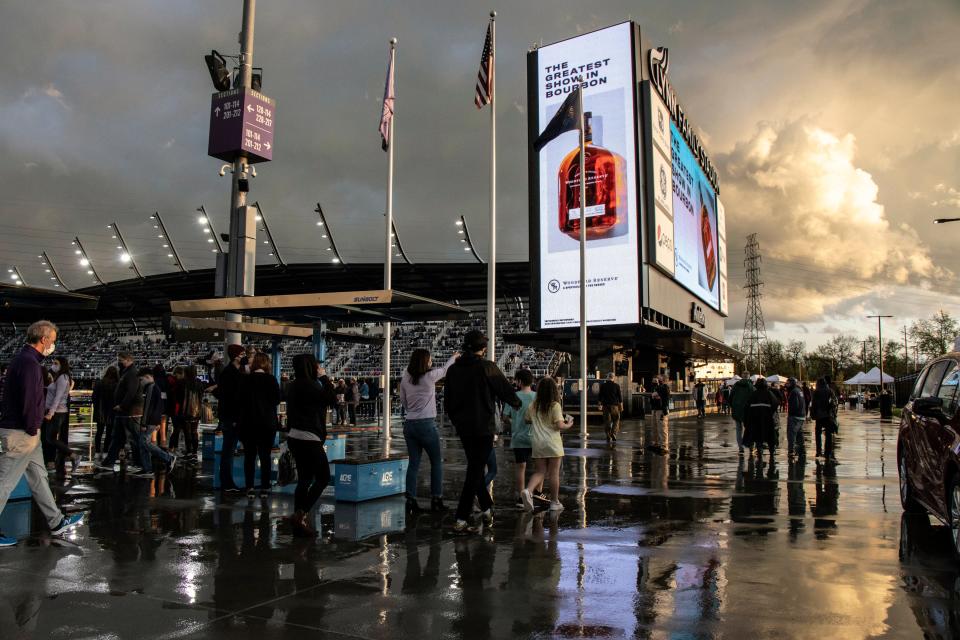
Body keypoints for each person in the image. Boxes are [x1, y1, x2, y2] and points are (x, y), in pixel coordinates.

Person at [0, 320, 84, 547]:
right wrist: (31, 428)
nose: (53, 345)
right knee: (5, 482)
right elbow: (29, 400)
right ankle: (56, 522)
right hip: (22, 433)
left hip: (26, 432)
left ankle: (56, 522)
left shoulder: (23, 360)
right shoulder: (29, 365)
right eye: (53, 341)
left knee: (39, 478)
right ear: (44, 339)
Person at [444, 330, 521, 533]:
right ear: (483, 348)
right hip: (483, 426)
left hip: (463, 426)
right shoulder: (487, 367)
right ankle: (461, 517)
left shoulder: (452, 370)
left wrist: (456, 420)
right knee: (475, 470)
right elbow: (506, 391)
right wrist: (518, 404)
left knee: (475, 467)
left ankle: (487, 507)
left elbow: (448, 402)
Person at [398, 348, 458, 513]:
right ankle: (436, 498)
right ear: (425, 361)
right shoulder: (429, 377)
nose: (431, 362)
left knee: (413, 464)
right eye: (430, 359)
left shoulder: (405, 379)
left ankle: (410, 500)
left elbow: (404, 401)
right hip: (426, 424)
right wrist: (453, 357)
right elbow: (446, 369)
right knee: (436, 462)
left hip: (409, 424)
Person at [285, 354, 337, 537]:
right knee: (323, 478)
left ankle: (298, 516)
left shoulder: (293, 385)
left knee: (305, 479)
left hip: (294, 436)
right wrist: (324, 377)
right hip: (309, 437)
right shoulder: (310, 385)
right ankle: (301, 514)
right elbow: (332, 399)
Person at [521, 377, 574, 512]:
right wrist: (569, 424)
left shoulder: (533, 405)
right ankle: (554, 502)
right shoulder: (555, 405)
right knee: (554, 473)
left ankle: (528, 490)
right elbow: (559, 425)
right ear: (553, 390)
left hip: (538, 442)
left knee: (540, 472)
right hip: (553, 443)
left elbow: (526, 420)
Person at [502, 369, 544, 509]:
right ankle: (538, 492)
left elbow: (505, 417)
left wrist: (514, 422)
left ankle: (521, 498)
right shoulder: (537, 397)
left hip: (518, 437)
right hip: (536, 437)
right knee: (540, 468)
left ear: (519, 381)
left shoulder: (514, 396)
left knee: (521, 468)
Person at [99, 352, 148, 473]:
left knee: (134, 438)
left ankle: (139, 463)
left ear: (127, 360)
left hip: (130, 411)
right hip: (124, 412)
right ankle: (109, 462)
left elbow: (131, 392)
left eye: (121, 360)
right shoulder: (127, 373)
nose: (119, 362)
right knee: (117, 437)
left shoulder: (131, 374)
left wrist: (122, 405)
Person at [240, 353, 281, 499]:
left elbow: (240, 402)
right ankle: (264, 487)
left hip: (248, 424)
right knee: (265, 456)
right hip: (266, 424)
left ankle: (249, 487)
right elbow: (277, 399)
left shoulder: (245, 380)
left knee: (249, 457)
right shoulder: (271, 380)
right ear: (266, 364)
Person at [213, 345, 245, 494]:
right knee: (228, 451)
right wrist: (231, 418)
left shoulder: (235, 372)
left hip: (233, 417)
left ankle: (228, 481)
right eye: (242, 353)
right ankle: (227, 482)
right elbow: (228, 397)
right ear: (236, 356)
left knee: (230, 450)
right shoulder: (229, 373)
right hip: (231, 418)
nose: (244, 356)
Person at [139, 368, 176, 475]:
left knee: (145, 443)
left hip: (149, 421)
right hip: (153, 419)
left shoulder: (151, 388)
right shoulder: (155, 388)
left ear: (147, 377)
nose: (140, 383)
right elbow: (158, 406)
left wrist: (144, 423)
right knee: (143, 444)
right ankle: (147, 469)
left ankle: (168, 458)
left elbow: (148, 407)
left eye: (141, 380)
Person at [44, 355, 77, 475]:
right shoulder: (61, 377)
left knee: (50, 438)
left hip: (57, 412)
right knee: (52, 437)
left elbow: (58, 397)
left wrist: (51, 413)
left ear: (62, 365)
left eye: (56, 363)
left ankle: (72, 455)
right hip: (57, 411)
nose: (54, 365)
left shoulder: (63, 377)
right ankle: (68, 457)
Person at [172, 366, 204, 462]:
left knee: (187, 432)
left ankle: (189, 451)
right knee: (194, 431)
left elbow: (177, 397)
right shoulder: (199, 382)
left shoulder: (182, 383)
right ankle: (194, 452)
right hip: (197, 411)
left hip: (185, 411)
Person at [744, 377, 780, 458]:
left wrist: (747, 421)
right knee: (770, 437)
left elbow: (747, 407)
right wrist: (769, 411)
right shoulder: (769, 393)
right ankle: (772, 452)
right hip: (768, 420)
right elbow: (775, 403)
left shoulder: (753, 394)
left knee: (758, 438)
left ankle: (760, 451)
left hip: (755, 420)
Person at [91, 366, 119, 459]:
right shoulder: (117, 384)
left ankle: (97, 451)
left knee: (99, 432)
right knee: (109, 433)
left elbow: (94, 397)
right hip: (112, 411)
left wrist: (96, 407)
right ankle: (106, 451)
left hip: (100, 411)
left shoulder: (99, 383)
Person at [811, 377, 839, 462]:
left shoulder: (816, 392)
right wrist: (833, 414)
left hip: (819, 416)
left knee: (818, 433)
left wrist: (813, 414)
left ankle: (818, 451)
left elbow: (814, 404)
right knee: (828, 435)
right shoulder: (830, 391)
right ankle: (827, 452)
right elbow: (834, 403)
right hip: (828, 416)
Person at [729, 375, 754, 454]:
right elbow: (754, 397)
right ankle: (751, 447)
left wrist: (733, 406)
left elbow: (730, 398)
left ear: (742, 377)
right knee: (749, 429)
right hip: (748, 411)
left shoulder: (736, 386)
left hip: (736, 410)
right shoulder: (751, 386)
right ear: (749, 377)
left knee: (738, 430)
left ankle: (740, 448)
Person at [785, 377, 807, 460]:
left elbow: (795, 405)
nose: (787, 385)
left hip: (795, 416)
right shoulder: (799, 391)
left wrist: (791, 414)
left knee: (791, 435)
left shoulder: (793, 392)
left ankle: (791, 451)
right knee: (799, 434)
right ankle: (802, 450)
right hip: (801, 416)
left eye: (789, 383)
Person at [598, 372, 623, 444]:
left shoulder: (603, 386)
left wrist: (599, 405)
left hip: (605, 406)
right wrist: (621, 407)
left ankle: (608, 435)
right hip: (614, 406)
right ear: (613, 377)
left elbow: (600, 396)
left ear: (607, 377)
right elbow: (620, 397)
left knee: (607, 421)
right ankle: (613, 433)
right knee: (616, 419)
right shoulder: (616, 386)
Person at [649, 376, 671, 455]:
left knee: (662, 427)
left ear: (662, 380)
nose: (655, 381)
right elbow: (652, 397)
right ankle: (656, 443)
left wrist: (656, 395)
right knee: (655, 427)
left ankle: (664, 446)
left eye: (657, 379)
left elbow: (660, 395)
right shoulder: (656, 388)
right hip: (654, 409)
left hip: (661, 410)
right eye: (654, 380)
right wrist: (655, 395)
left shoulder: (665, 387)